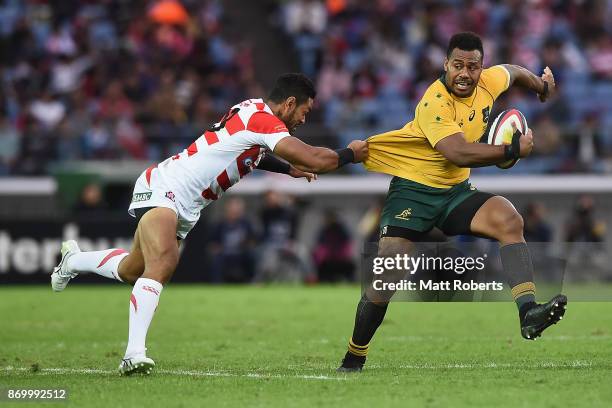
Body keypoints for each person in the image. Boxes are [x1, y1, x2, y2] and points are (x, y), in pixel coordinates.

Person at [50, 73, 368, 375]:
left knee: (133, 270)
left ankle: (73, 260)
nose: (303, 119)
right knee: (163, 261)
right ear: (288, 104)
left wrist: (287, 170)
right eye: (304, 111)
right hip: (167, 186)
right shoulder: (262, 121)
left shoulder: (251, 111)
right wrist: (350, 154)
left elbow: (249, 153)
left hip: (185, 204)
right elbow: (314, 158)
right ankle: (133, 355)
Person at [338, 32, 567, 372]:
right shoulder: (434, 101)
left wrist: (540, 86)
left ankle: (528, 313)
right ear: (445, 64)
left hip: (454, 192)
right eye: (457, 65)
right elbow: (456, 151)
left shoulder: (489, 81)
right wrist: (510, 150)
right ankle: (354, 356)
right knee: (388, 275)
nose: (464, 73)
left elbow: (514, 71)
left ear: (480, 67)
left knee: (509, 219)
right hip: (413, 191)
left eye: (472, 66)